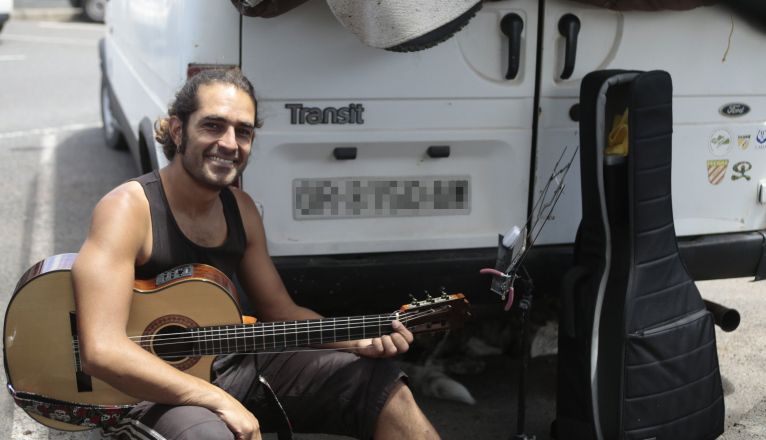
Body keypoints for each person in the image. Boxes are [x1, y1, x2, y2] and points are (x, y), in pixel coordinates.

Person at [71, 69, 439, 440]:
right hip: (144, 390)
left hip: (233, 368)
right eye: (213, 126)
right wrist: (215, 399)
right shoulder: (128, 210)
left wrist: (358, 339)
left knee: (382, 387)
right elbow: (101, 350)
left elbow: (280, 311)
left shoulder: (241, 210)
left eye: (243, 131)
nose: (230, 143)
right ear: (179, 131)